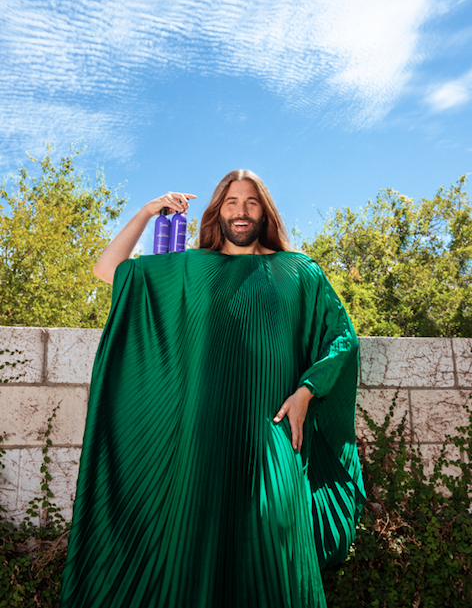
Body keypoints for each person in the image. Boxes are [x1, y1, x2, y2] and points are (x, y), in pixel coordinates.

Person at [60, 170, 365, 608]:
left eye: (252, 202)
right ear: (217, 212)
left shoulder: (300, 271)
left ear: (266, 211)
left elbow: (341, 339)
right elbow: (107, 269)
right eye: (231, 202)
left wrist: (307, 391)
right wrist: (148, 211)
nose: (241, 211)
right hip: (201, 438)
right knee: (195, 548)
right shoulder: (188, 268)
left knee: (275, 538)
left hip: (271, 430)